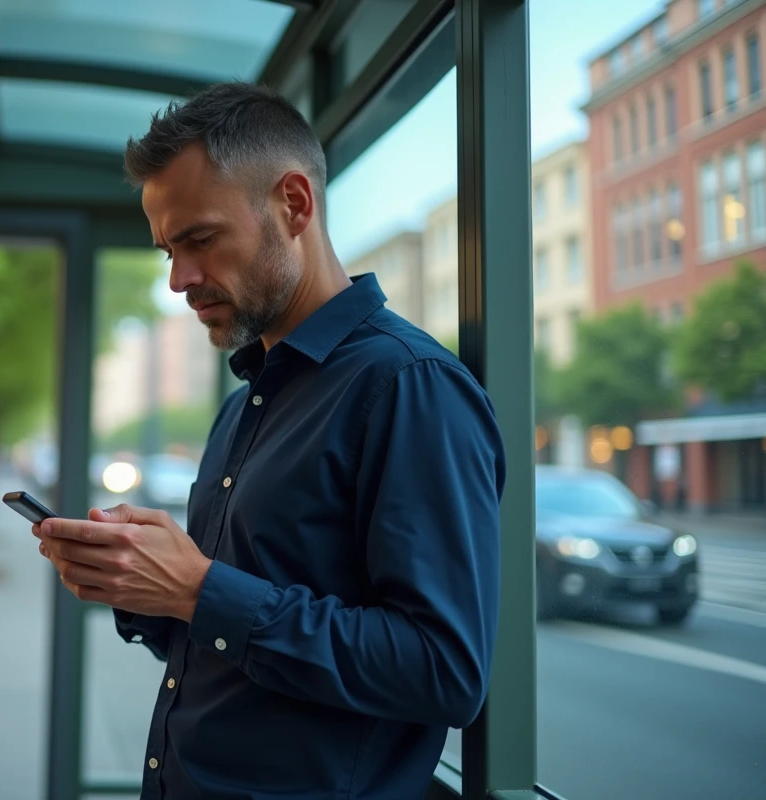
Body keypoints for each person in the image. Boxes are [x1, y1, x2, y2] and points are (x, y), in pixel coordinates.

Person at [33, 82, 505, 800]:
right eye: (167, 250)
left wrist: (199, 589)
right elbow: (225, 642)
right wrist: (142, 587)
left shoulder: (409, 386)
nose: (179, 279)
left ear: (294, 204)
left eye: (199, 240)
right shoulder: (246, 401)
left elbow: (442, 671)